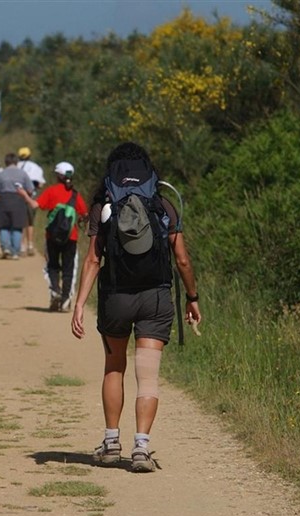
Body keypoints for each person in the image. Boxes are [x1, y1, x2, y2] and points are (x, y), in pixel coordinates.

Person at [71, 142, 202, 473]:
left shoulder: (104, 206)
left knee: (114, 366)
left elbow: (92, 259)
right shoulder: (164, 206)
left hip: (116, 298)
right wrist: (192, 297)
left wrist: (79, 304)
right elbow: (183, 260)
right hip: (155, 298)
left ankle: (111, 442)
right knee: (148, 375)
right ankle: (141, 448)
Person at [17, 161, 88, 312]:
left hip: (52, 236)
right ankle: (66, 300)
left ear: (58, 176)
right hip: (71, 237)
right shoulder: (75, 194)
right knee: (69, 269)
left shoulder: (51, 191)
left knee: (52, 266)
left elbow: (36, 205)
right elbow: (84, 214)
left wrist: (24, 195)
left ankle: (55, 290)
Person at [0, 153, 34, 260]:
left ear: (6, 162)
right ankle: (15, 252)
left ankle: (6, 248)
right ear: (16, 162)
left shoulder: (0, 175)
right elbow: (30, 189)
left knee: (4, 226)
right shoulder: (23, 174)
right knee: (17, 227)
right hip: (18, 202)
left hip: (4, 201)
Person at [17, 147, 46, 256]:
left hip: (18, 197)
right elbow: (41, 183)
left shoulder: (16, 166)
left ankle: (22, 246)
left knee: (21, 222)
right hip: (31, 197)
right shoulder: (36, 167)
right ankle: (30, 244)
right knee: (30, 222)